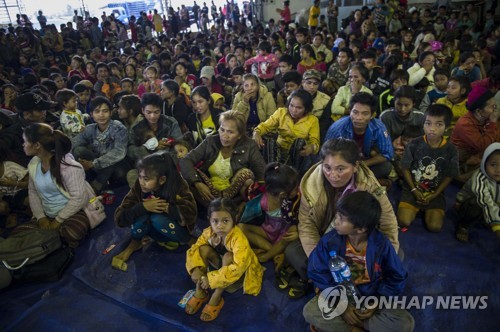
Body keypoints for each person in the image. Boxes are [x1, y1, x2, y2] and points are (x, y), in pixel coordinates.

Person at [283, 138, 399, 299]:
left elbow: (388, 224)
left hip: (358, 241)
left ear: (356, 166)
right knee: (293, 251)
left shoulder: (370, 186)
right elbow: (307, 225)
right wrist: (321, 262)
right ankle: (330, 281)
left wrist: (379, 258)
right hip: (326, 241)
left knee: (395, 256)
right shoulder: (311, 185)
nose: (333, 175)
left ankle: (318, 282)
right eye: (327, 167)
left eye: (341, 169)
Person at [303, 191, 414, 332]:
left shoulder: (381, 245)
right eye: (337, 215)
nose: (335, 220)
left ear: (361, 229)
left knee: (405, 324)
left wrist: (378, 301)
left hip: (370, 294)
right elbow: (317, 272)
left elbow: (397, 276)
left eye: (341, 219)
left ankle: (355, 325)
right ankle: (357, 327)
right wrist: (341, 305)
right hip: (340, 293)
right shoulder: (329, 242)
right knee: (311, 311)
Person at [112, 152, 197, 271]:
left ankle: (191, 241)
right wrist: (142, 207)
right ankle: (134, 243)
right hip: (150, 233)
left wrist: (169, 209)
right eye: (140, 177)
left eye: (146, 179)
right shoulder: (139, 186)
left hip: (174, 232)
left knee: (157, 219)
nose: (141, 182)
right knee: (141, 215)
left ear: (162, 180)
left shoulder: (178, 184)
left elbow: (191, 213)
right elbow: (120, 218)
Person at [185, 198, 264, 321]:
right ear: (209, 221)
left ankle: (216, 296)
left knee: (228, 256)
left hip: (238, 271)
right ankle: (199, 290)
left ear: (234, 220)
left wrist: (211, 279)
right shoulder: (209, 232)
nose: (220, 226)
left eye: (225, 221)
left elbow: (238, 268)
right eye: (215, 221)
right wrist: (195, 268)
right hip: (221, 266)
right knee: (202, 249)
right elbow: (195, 248)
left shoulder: (239, 239)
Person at [22, 123, 93, 248]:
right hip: (48, 213)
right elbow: (33, 192)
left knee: (73, 232)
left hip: (71, 213)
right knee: (20, 233)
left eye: (25, 141)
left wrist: (58, 220)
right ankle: (54, 241)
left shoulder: (68, 167)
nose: (23, 145)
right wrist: (40, 217)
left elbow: (79, 198)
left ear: (37, 145)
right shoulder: (33, 164)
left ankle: (50, 242)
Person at [180, 110, 266, 207]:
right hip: (208, 193)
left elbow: (262, 173)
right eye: (222, 130)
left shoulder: (249, 145)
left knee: (247, 176)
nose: (224, 136)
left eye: (230, 132)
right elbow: (185, 160)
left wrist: (246, 201)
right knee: (187, 176)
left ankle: (236, 208)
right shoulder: (211, 141)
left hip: (235, 198)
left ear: (239, 135)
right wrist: (197, 183)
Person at [398, 104, 459, 232]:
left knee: (435, 227)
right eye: (428, 123)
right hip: (412, 188)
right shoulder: (414, 144)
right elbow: (405, 167)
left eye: (438, 124)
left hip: (434, 192)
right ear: (423, 124)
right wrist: (414, 190)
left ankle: (427, 207)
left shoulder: (451, 150)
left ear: (446, 127)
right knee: (404, 221)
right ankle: (414, 206)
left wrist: (435, 194)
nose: (432, 129)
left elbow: (450, 175)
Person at [238, 162, 299, 268]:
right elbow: (246, 196)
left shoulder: (294, 202)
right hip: (267, 231)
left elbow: (295, 224)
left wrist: (297, 233)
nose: (298, 190)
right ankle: (274, 251)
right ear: (283, 195)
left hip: (283, 237)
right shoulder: (261, 197)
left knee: (290, 236)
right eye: (295, 189)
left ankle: (266, 256)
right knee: (241, 227)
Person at [326, 92, 394, 179]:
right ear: (350, 112)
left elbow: (387, 154)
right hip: (341, 163)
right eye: (355, 112)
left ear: (372, 115)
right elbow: (327, 153)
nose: (359, 117)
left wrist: (363, 164)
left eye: (365, 113)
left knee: (386, 167)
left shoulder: (379, 127)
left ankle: (355, 179)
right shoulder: (337, 128)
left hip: (364, 161)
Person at [253, 89, 320, 173]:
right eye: (291, 105)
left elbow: (315, 143)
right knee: (269, 141)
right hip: (279, 151)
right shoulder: (281, 112)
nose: (294, 110)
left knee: (299, 142)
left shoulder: (313, 120)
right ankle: (272, 172)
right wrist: (257, 132)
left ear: (306, 109)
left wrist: (311, 148)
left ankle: (294, 174)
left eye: (299, 108)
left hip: (298, 155)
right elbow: (265, 126)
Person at [72, 96, 129, 194]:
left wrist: (92, 164)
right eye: (97, 111)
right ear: (91, 114)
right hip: (98, 166)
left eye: (105, 111)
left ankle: (96, 186)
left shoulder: (118, 128)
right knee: (78, 150)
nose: (101, 115)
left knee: (112, 160)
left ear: (111, 113)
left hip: (117, 167)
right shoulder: (90, 129)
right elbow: (74, 143)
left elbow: (118, 153)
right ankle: (85, 183)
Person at [451, 84, 500, 182]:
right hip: (462, 162)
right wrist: (492, 123)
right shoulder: (465, 124)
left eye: (495, 106)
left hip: (478, 156)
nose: (496, 110)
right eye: (492, 107)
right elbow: (483, 146)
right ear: (479, 111)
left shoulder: (486, 118)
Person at [455, 142, 500, 242]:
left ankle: (490, 219)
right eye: (493, 165)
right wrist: (497, 227)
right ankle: (463, 226)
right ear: (484, 163)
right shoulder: (480, 178)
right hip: (467, 205)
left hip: (493, 205)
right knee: (476, 203)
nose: (498, 170)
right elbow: (485, 201)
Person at [128, 93, 183, 164]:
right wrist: (150, 147)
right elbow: (130, 150)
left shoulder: (171, 122)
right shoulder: (136, 127)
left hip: (168, 161)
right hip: (146, 163)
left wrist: (173, 144)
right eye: (148, 112)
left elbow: (179, 141)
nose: (152, 116)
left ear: (161, 110)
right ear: (143, 110)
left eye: (156, 112)